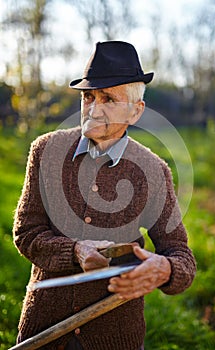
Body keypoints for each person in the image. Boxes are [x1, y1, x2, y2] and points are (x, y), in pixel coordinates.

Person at [13, 41, 196, 350]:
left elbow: (182, 257)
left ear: (136, 110)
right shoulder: (45, 151)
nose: (93, 109)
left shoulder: (153, 170)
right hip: (43, 327)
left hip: (115, 336)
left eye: (108, 98)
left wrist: (165, 269)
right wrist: (76, 251)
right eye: (88, 96)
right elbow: (25, 233)